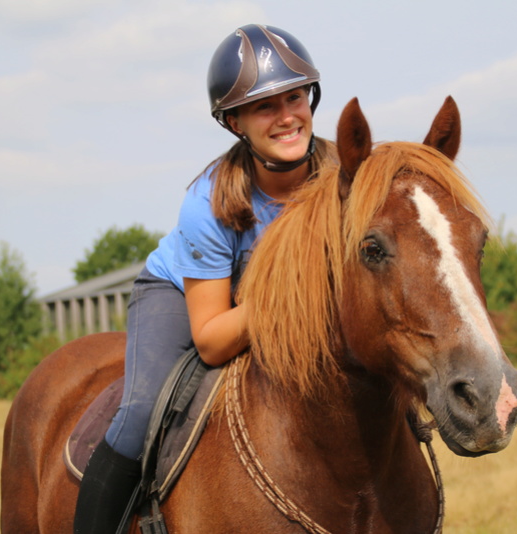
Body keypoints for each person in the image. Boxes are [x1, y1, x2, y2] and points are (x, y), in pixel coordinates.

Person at [73, 24, 336, 533]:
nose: (287, 117)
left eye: (295, 97)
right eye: (265, 106)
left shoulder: (342, 175)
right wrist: (294, 297)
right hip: (184, 296)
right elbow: (213, 341)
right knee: (141, 411)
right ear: (235, 121)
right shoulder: (207, 204)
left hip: (265, 304)